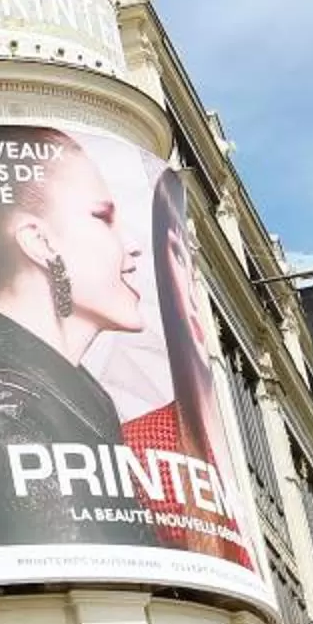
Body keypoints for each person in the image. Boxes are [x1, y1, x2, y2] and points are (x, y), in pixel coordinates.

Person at [0, 125, 161, 548]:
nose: (134, 244)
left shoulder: (61, 391)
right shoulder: (0, 411)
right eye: (103, 217)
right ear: (40, 242)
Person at [119, 175, 257, 569]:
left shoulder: (232, 436)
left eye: (188, 260)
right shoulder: (140, 443)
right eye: (174, 256)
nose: (184, 280)